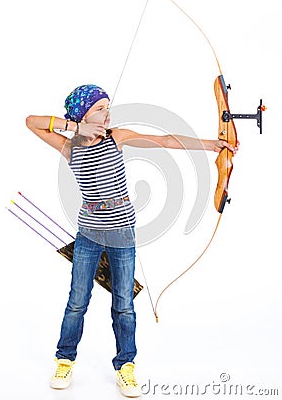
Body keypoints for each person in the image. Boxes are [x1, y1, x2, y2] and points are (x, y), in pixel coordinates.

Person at [26, 84, 238, 397]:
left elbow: (164, 141)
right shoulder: (69, 146)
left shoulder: (117, 137)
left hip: (123, 234)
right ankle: (64, 358)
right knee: (77, 301)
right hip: (88, 235)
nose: (106, 113)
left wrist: (213, 145)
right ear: (83, 114)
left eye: (107, 107)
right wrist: (75, 127)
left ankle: (125, 365)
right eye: (99, 108)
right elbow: (31, 121)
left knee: (123, 304)